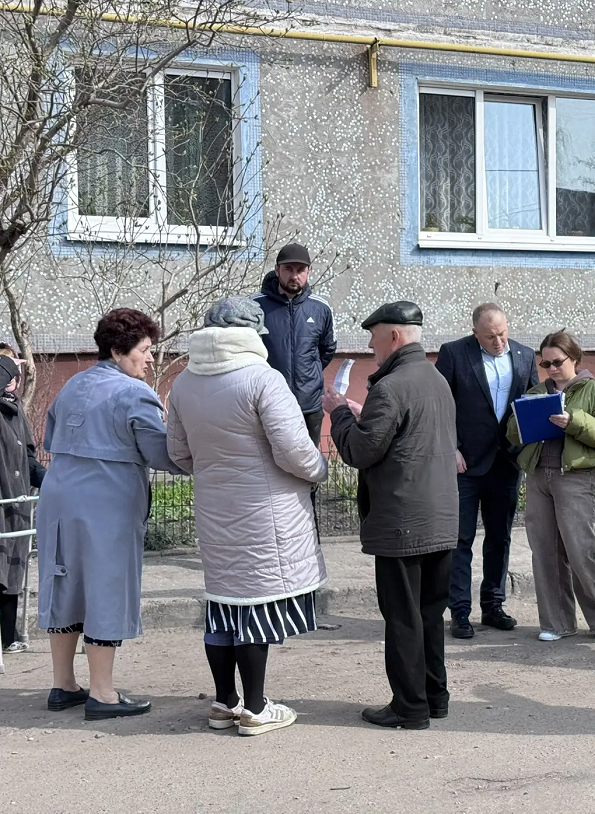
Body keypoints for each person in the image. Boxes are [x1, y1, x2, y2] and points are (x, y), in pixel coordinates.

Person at [166, 298, 329, 737]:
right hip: (265, 510)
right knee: (255, 605)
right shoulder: (263, 378)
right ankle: (256, 708)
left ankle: (224, 702)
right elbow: (294, 451)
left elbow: (178, 453)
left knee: (223, 603)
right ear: (253, 333)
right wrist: (319, 469)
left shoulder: (183, 383)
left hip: (214, 508)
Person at [36, 309, 183, 719]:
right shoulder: (135, 393)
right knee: (106, 586)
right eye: (145, 349)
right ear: (119, 351)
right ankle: (102, 693)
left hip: (58, 494)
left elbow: (50, 437)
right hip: (106, 501)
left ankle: (63, 684)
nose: (150, 358)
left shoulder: (73, 384)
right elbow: (163, 455)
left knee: (63, 582)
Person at [325, 301, 458, 730]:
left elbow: (361, 451)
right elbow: (405, 435)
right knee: (430, 614)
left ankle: (408, 707)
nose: (371, 346)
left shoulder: (390, 386)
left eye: (374, 337)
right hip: (440, 517)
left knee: (402, 617)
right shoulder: (436, 379)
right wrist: (362, 417)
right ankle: (434, 698)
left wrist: (339, 412)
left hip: (403, 520)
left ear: (394, 336)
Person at [506, 330, 595, 643]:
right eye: (545, 363)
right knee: (545, 552)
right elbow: (512, 432)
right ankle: (557, 622)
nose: (551, 368)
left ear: (574, 358)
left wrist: (572, 420)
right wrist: (523, 421)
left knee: (581, 550)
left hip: (576, 478)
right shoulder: (537, 392)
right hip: (539, 476)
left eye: (557, 362)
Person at [435, 303, 537, 639]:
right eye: (490, 336)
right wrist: (450, 448)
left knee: (499, 538)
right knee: (460, 540)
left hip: (506, 463)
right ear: (475, 333)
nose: (498, 341)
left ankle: (493, 606)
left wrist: (526, 453)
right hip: (464, 463)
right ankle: (460, 612)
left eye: (502, 333)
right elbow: (439, 404)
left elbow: (531, 404)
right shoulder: (454, 354)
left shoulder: (524, 355)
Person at [254, 242, 337, 446]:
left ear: (309, 271)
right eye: (288, 269)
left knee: (309, 462)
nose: (294, 276)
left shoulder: (321, 308)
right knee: (270, 462)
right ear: (277, 270)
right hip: (270, 402)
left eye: (300, 270)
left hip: (310, 405)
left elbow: (327, 350)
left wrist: (307, 373)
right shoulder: (255, 306)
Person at [0, 356, 46, 655]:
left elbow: (28, 460)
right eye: (9, 375)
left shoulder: (16, 411)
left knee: (12, 568)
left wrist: (53, 481)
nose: (14, 381)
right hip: (2, 500)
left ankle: (9, 635)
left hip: (15, 505)